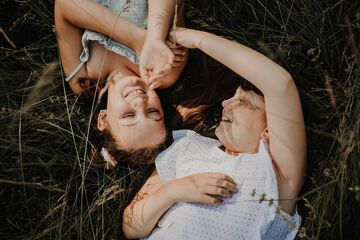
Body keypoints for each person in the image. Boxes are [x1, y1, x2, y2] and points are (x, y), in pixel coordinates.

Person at [122, 27, 306, 239]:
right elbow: (132, 225)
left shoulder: (276, 174)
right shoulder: (187, 148)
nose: (225, 103)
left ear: (268, 131)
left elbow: (280, 85)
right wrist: (175, 190)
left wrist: (194, 39)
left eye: (242, 101)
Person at [54, 0, 188, 164]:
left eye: (129, 115)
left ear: (103, 119)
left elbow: (64, 6)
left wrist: (136, 39)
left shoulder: (84, 79)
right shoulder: (164, 70)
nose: (140, 102)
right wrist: (155, 36)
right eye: (153, 112)